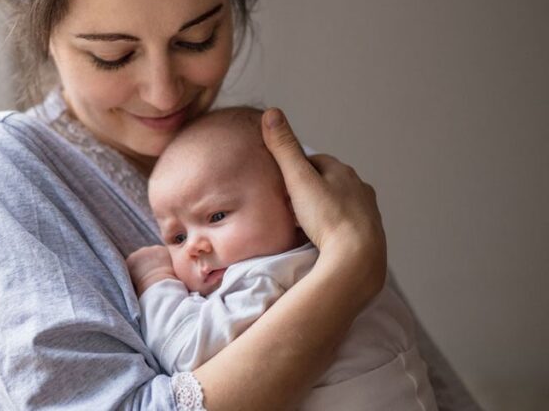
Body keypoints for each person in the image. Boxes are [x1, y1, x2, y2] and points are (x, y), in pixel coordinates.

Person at [0, 0, 480, 409]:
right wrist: (348, 269)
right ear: (39, 32)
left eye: (197, 38)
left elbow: (414, 374)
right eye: (113, 55)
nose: (164, 94)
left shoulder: (257, 160)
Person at [127, 107, 437, 409]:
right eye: (177, 238)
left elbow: (186, 352)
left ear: (294, 205)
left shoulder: (270, 278)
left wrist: (156, 282)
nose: (194, 246)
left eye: (216, 216)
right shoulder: (322, 257)